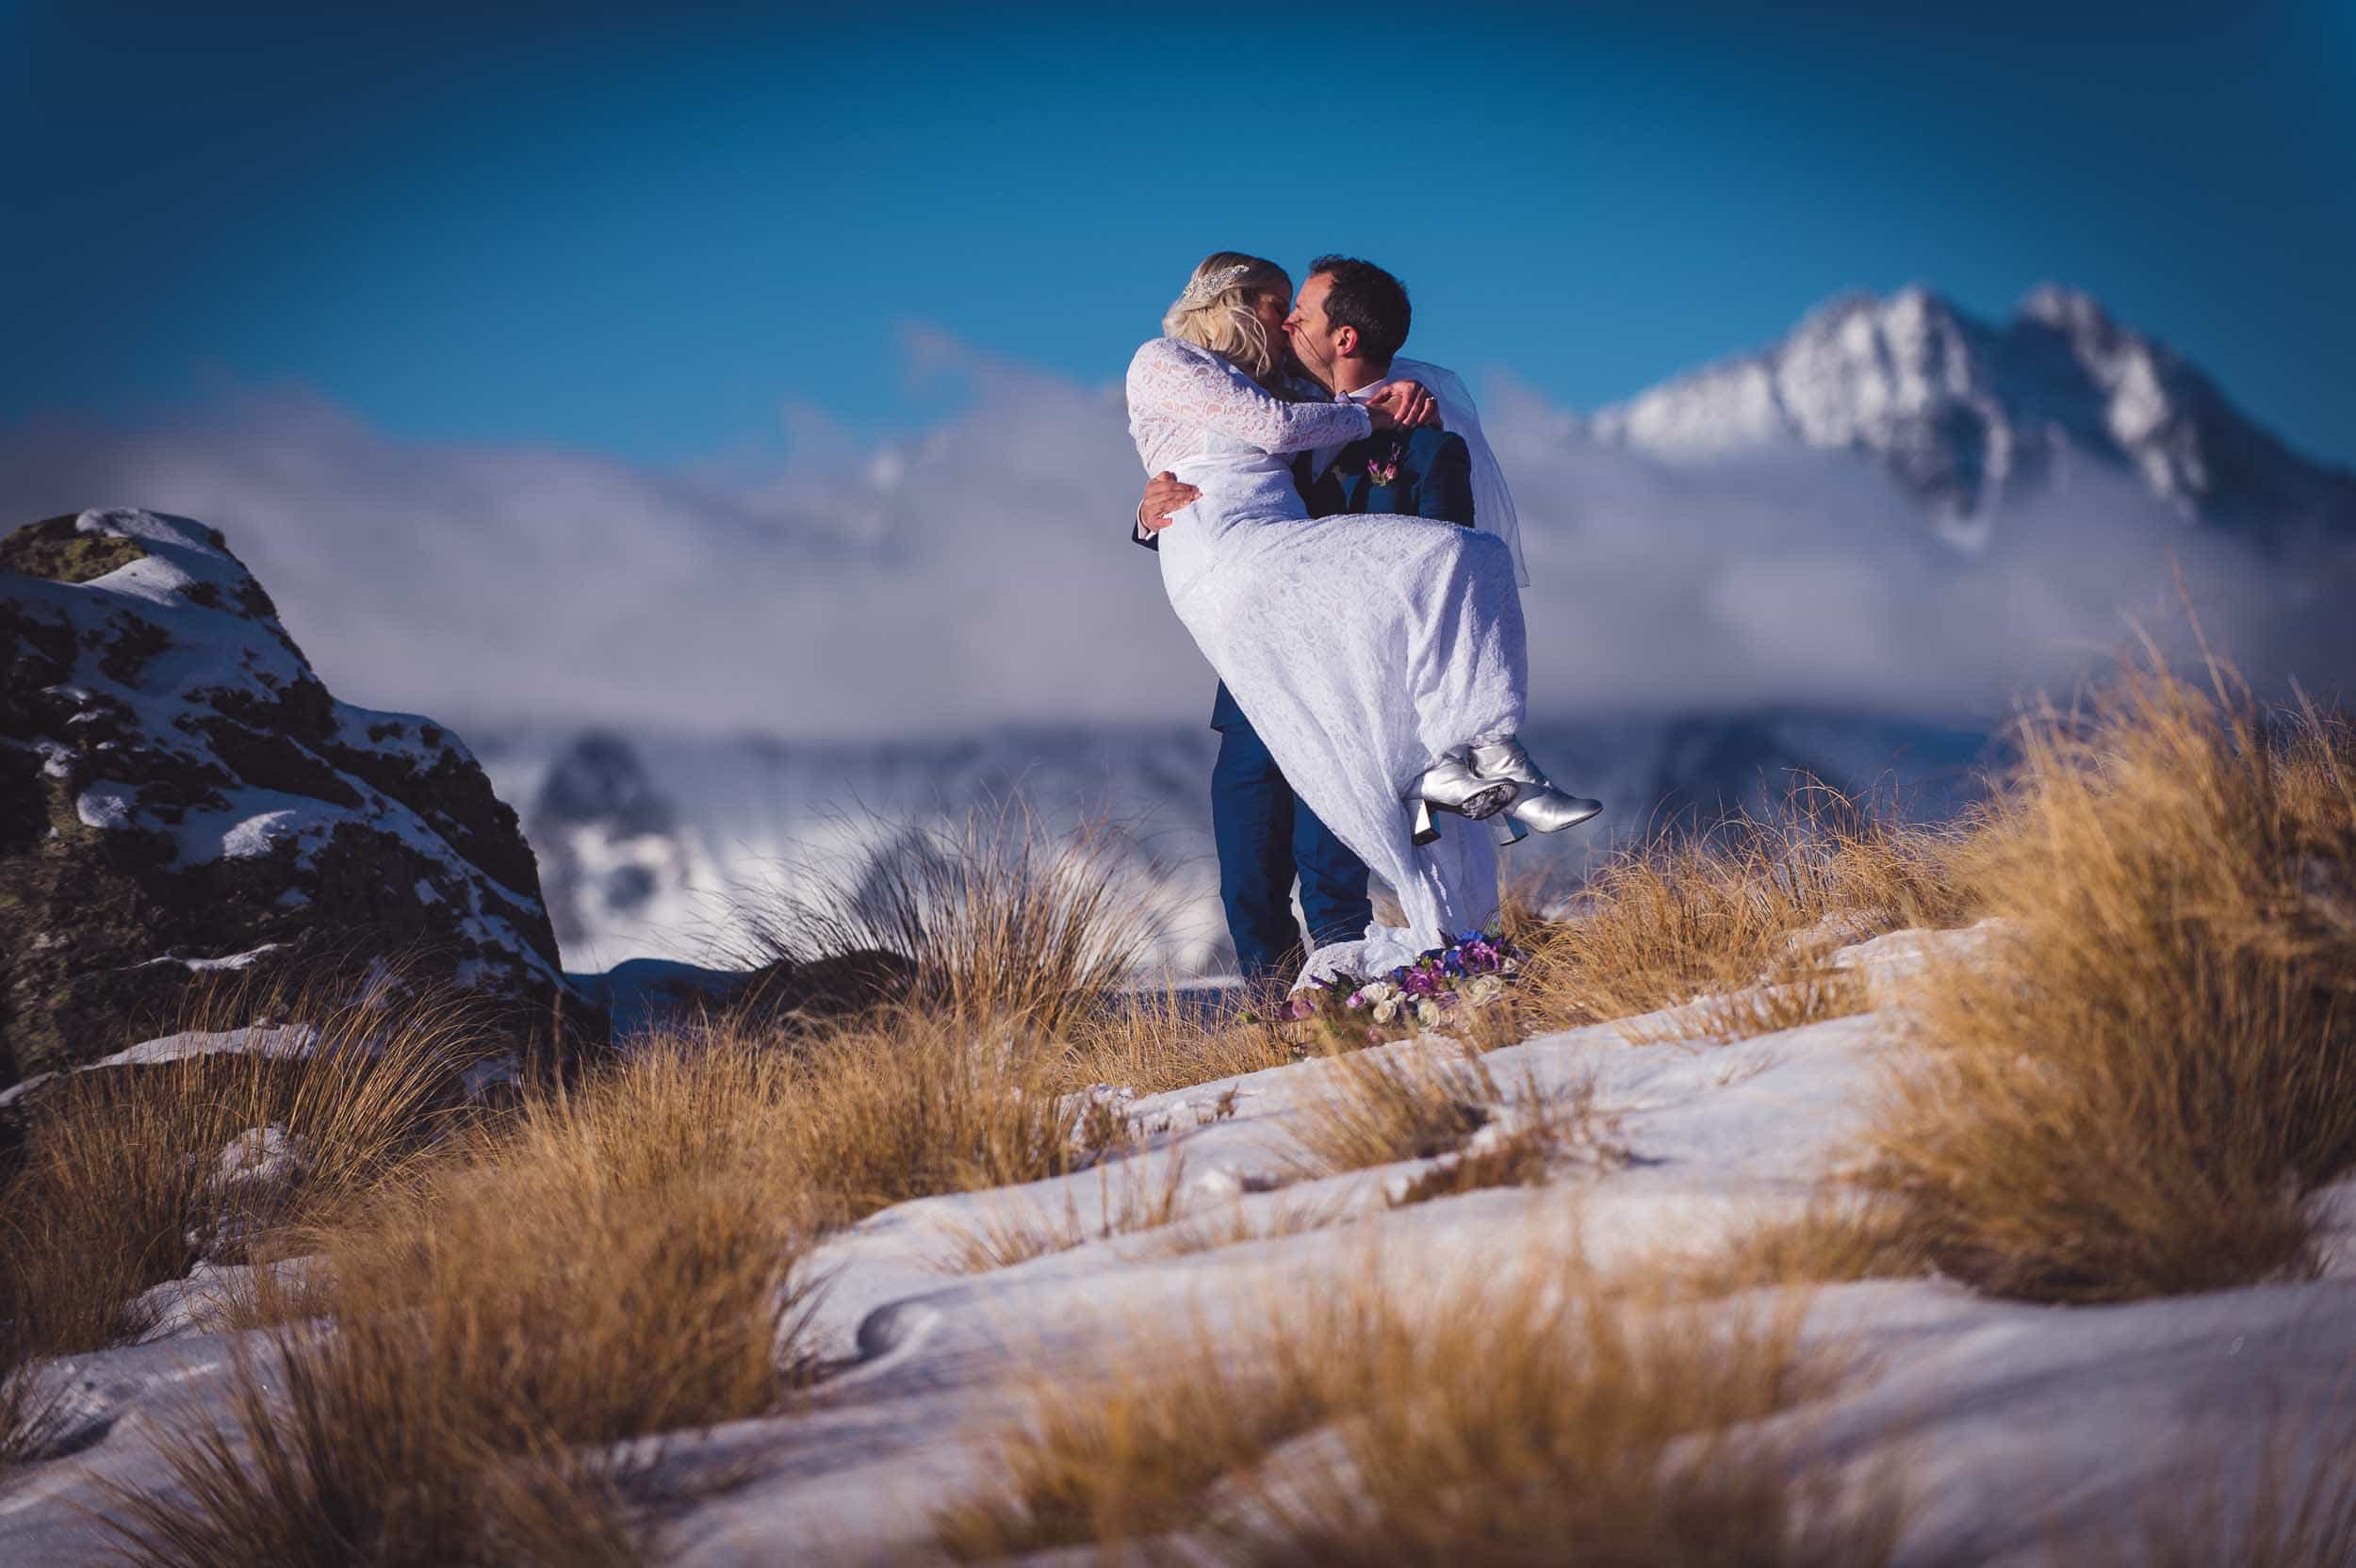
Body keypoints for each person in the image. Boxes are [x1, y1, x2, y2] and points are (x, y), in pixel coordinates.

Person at [1125, 252, 1599, 985]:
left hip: (1355, 684)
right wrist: (1150, 516)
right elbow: (1215, 467)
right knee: (1247, 870)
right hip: (1255, 676)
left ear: (1342, 337)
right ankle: (1270, 1016)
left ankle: (1346, 1005)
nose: (1286, 322)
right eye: (1277, 305)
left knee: (1332, 864)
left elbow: (1433, 559)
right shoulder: (1267, 403)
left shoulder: (1422, 440)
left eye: (1299, 310)